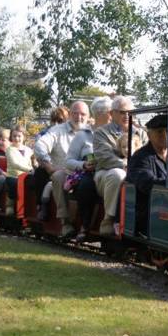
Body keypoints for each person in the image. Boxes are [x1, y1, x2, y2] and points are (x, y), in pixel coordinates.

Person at [93, 95, 147, 236]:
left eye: (130, 113)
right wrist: (128, 165)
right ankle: (108, 220)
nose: (127, 116)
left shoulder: (141, 134)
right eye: (122, 112)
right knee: (118, 174)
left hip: (134, 174)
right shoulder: (101, 133)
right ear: (112, 113)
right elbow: (104, 158)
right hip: (106, 175)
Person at [34, 101, 90, 236]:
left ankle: (89, 224)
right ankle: (65, 223)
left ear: (88, 116)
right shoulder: (57, 131)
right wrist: (49, 166)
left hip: (87, 173)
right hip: (64, 173)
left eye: (83, 114)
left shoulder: (91, 133)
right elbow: (40, 145)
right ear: (69, 114)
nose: (79, 117)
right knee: (58, 176)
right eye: (75, 113)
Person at [64, 96, 112, 241]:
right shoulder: (82, 135)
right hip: (89, 174)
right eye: (110, 113)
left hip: (108, 172)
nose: (112, 116)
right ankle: (85, 225)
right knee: (86, 185)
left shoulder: (115, 133)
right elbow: (68, 161)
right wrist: (83, 165)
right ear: (99, 114)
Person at [125, 114, 168, 236]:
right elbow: (146, 183)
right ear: (149, 135)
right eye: (159, 132)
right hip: (148, 212)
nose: (165, 135)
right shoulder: (141, 157)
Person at [3, 126, 34, 216]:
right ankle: (10, 205)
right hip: (14, 175)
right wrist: (29, 169)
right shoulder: (9, 149)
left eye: (19, 136)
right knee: (13, 183)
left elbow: (31, 162)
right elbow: (14, 163)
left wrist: (34, 166)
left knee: (33, 184)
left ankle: (30, 205)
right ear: (11, 137)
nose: (17, 138)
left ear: (23, 137)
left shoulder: (28, 150)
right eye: (14, 136)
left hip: (26, 176)